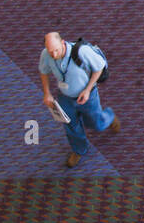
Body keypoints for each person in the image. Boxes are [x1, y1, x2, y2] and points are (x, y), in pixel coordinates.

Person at [39, 30, 119, 169]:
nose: (54, 55)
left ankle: (109, 117)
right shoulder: (46, 54)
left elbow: (99, 68)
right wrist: (47, 93)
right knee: (70, 125)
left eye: (56, 50)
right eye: (51, 51)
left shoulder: (82, 52)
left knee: (96, 124)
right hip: (65, 97)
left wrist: (87, 90)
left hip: (88, 96)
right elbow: (43, 71)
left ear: (63, 43)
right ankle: (78, 150)